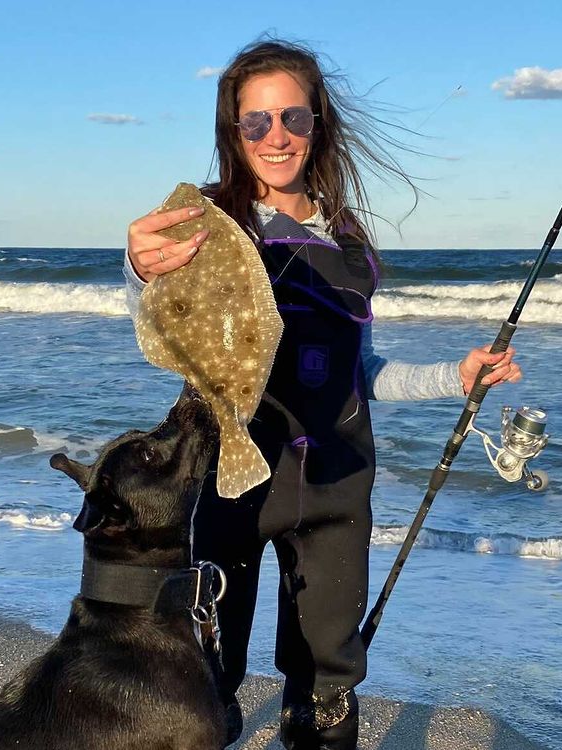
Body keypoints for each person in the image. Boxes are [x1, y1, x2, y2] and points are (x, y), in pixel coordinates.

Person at [123, 40, 521, 750]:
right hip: (227, 477)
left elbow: (359, 371)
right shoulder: (208, 224)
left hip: (335, 486)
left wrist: (453, 379)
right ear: (234, 132)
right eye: (256, 123)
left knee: (327, 676)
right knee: (205, 668)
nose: (276, 137)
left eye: (292, 119)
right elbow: (160, 318)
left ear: (318, 124)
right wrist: (135, 270)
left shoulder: (350, 242)